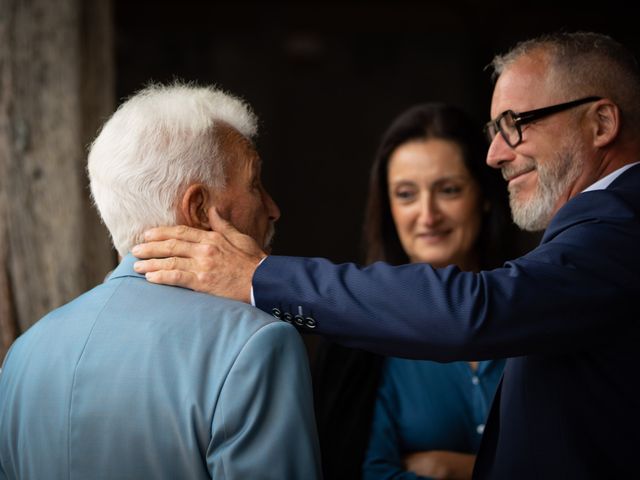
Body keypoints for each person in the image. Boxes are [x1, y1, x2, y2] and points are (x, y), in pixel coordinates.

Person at [132, 32, 640, 478]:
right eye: (494, 130)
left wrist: (257, 277)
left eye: (515, 123)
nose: (496, 154)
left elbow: (476, 310)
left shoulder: (622, 226)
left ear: (600, 123)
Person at [0, 83, 321, 480]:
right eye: (255, 184)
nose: (273, 209)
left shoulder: (24, 354)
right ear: (200, 208)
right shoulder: (255, 344)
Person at [314, 103, 512, 480]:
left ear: (485, 195)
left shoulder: (535, 307)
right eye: (406, 194)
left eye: (449, 190)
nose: (427, 214)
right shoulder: (356, 340)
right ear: (388, 207)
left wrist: (454, 469)